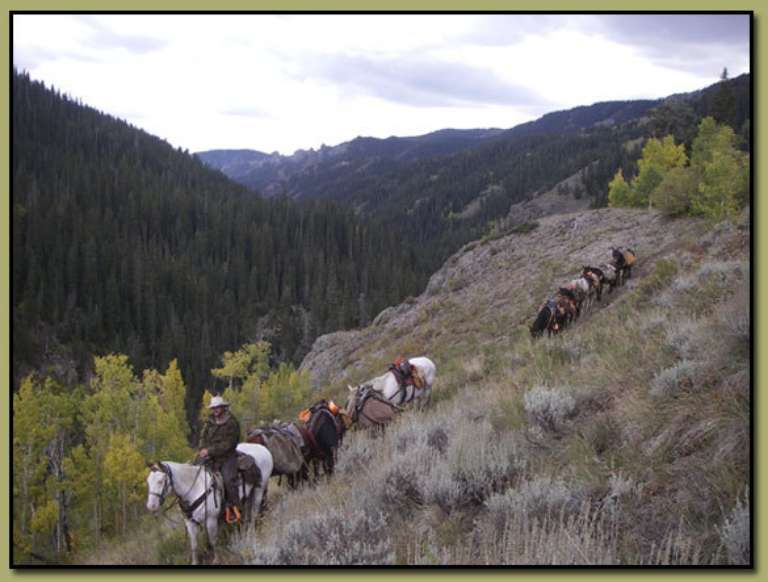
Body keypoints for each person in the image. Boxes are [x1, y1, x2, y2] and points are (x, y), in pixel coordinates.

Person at [198, 395, 242, 524]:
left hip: (227, 457)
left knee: (228, 480)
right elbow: (203, 437)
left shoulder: (232, 422)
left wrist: (210, 451)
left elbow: (228, 444)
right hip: (210, 457)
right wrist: (202, 449)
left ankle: (234, 508)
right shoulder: (209, 421)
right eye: (213, 408)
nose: (215, 410)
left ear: (223, 407)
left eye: (218, 407)